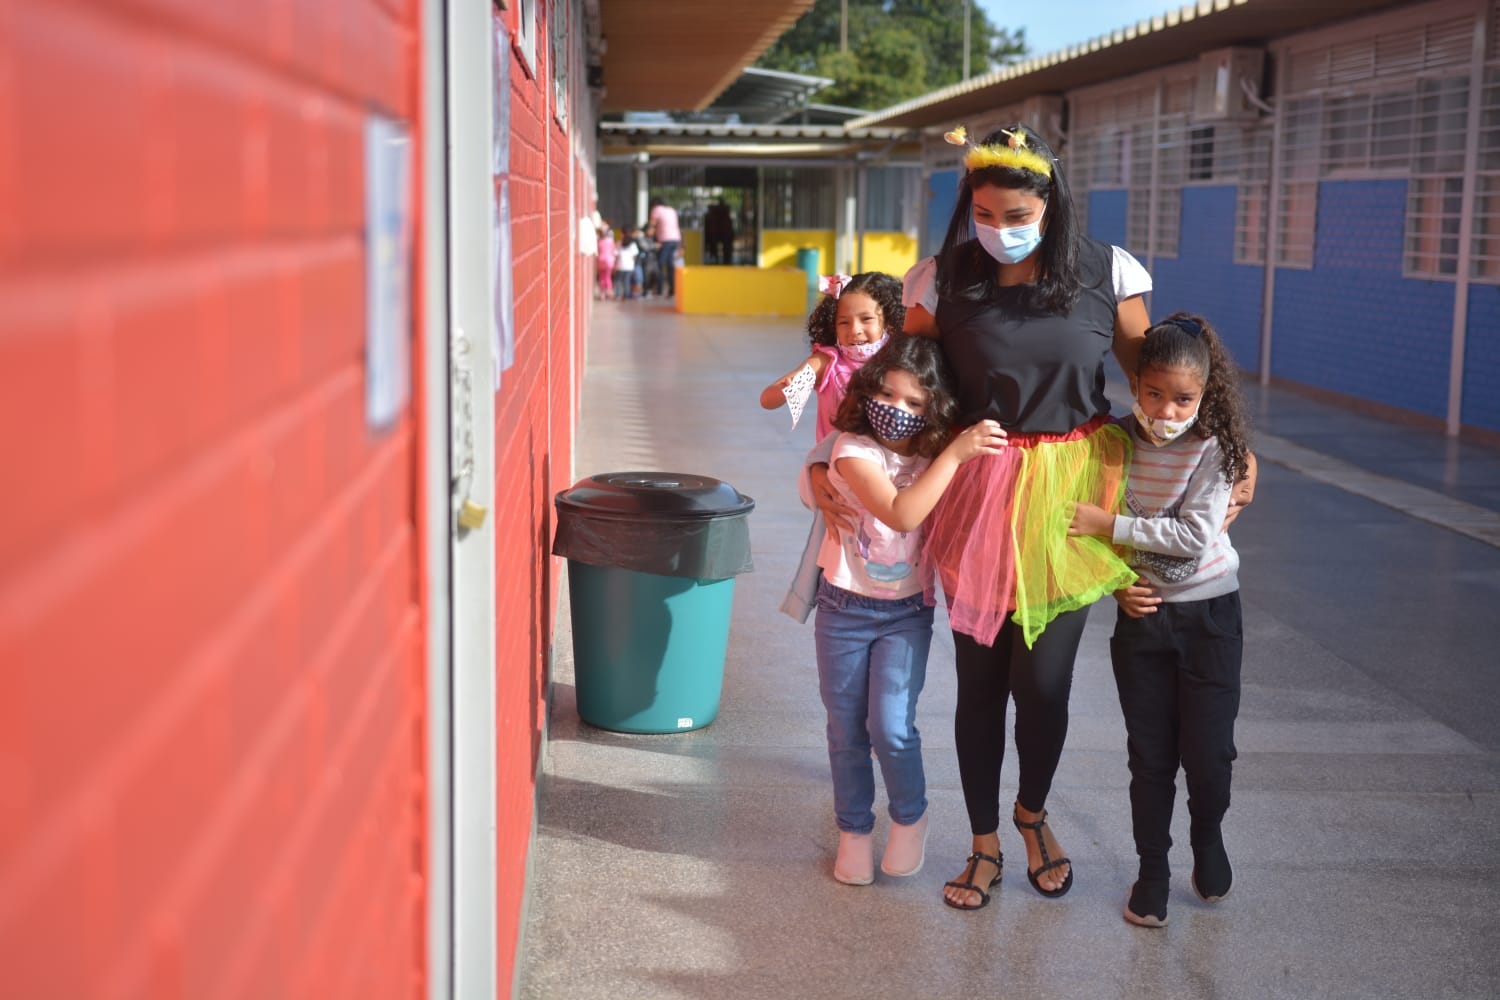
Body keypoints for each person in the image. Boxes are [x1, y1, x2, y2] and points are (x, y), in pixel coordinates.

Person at [1067, 312, 1251, 928]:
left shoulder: (1215, 448)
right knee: (1148, 757)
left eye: (1183, 399)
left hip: (1210, 619)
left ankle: (1208, 835)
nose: (1166, 411)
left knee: (1209, 755)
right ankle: (1152, 873)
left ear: (1204, 396)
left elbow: (1195, 536)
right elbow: (1076, 528)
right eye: (1154, 394)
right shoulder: (1113, 443)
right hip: (1142, 623)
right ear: (1136, 383)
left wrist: (1109, 526)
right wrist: (1117, 582)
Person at [812, 335, 1007, 886]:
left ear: (933, 408)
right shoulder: (852, 449)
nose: (897, 410)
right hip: (842, 606)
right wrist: (954, 454)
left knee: (891, 726)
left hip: (905, 614)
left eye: (914, 403)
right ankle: (852, 831)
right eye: (888, 395)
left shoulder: (933, 452)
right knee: (845, 728)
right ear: (869, 390)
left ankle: (909, 816)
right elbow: (901, 514)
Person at [760, 272, 904, 444]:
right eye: (844, 322)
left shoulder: (901, 360)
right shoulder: (826, 361)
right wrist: (786, 390)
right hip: (833, 465)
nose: (854, 330)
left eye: (866, 319)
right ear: (833, 325)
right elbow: (767, 400)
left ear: (888, 321)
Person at [648, 197, 682, 297]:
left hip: (665, 240)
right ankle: (672, 289)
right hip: (675, 239)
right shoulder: (671, 210)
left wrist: (647, 233)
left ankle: (659, 290)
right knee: (670, 265)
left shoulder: (656, 209)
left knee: (660, 265)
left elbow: (651, 225)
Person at [705, 199, 735, 264]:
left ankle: (716, 259)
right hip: (721, 233)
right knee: (718, 248)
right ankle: (723, 259)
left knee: (715, 247)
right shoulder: (725, 214)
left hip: (718, 233)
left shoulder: (714, 213)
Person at [612, 230, 638, 301]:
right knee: (627, 280)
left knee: (618, 280)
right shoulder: (633, 244)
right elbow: (634, 256)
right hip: (629, 266)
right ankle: (626, 295)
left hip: (620, 265)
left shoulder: (618, 243)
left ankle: (618, 294)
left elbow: (616, 255)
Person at [596, 222, 616, 300]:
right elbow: (613, 251)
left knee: (601, 277)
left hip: (600, 261)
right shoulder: (610, 242)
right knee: (608, 276)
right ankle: (609, 290)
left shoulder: (598, 242)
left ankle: (602, 293)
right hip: (608, 261)